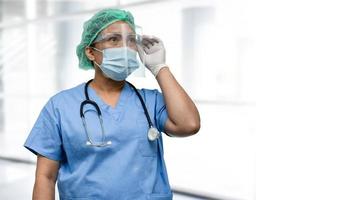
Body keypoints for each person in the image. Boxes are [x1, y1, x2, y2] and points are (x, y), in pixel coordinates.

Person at [24, 8, 200, 200]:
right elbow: (45, 177)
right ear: (90, 52)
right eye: (114, 39)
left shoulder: (150, 101)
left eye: (131, 40)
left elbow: (189, 124)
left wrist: (159, 67)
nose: (125, 47)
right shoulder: (60, 106)